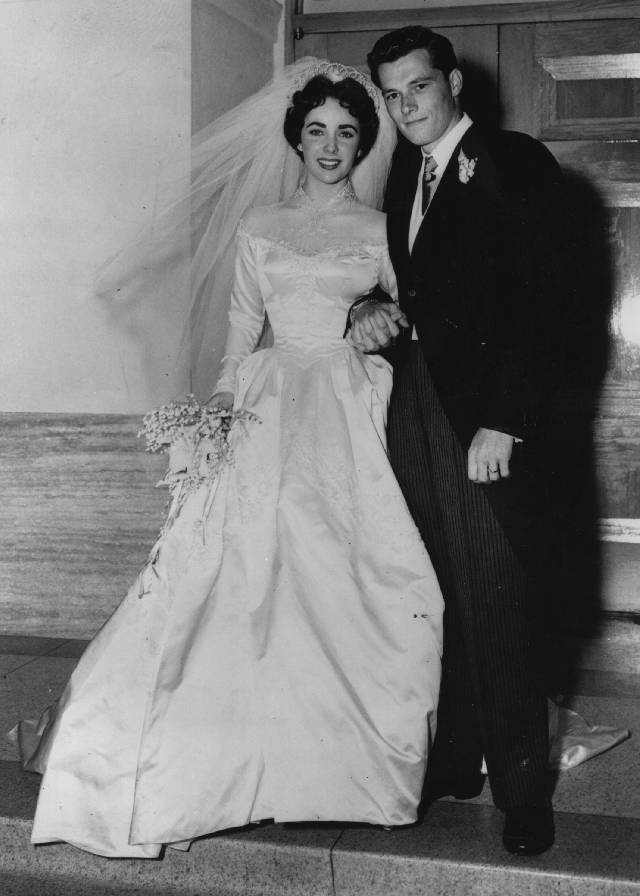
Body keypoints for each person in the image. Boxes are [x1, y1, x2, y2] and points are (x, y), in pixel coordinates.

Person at [11, 61, 444, 858]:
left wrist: (383, 314)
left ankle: (340, 769)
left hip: (350, 405)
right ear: (296, 138)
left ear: (364, 144)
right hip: (267, 403)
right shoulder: (260, 227)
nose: (330, 146)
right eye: (316, 129)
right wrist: (213, 419)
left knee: (349, 569)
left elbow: (420, 315)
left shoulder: (383, 229)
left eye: (347, 132)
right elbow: (242, 336)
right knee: (237, 566)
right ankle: (217, 755)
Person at [349, 26, 573, 856]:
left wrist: (507, 420)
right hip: (415, 410)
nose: (407, 106)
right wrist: (361, 309)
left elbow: (550, 305)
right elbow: (403, 283)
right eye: (393, 93)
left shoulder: (514, 162)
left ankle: (522, 791)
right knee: (436, 585)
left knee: (498, 592)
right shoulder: (406, 172)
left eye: (419, 87)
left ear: (454, 85)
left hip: (483, 423)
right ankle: (457, 757)